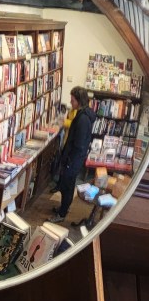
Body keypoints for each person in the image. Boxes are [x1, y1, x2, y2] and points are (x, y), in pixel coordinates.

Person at [49, 86, 96, 223]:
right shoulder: (83, 114)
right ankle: (63, 208)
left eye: (73, 100)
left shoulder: (82, 119)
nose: (71, 102)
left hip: (73, 159)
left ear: (79, 101)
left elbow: (79, 144)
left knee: (67, 186)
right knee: (67, 184)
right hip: (74, 158)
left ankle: (62, 214)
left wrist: (68, 158)